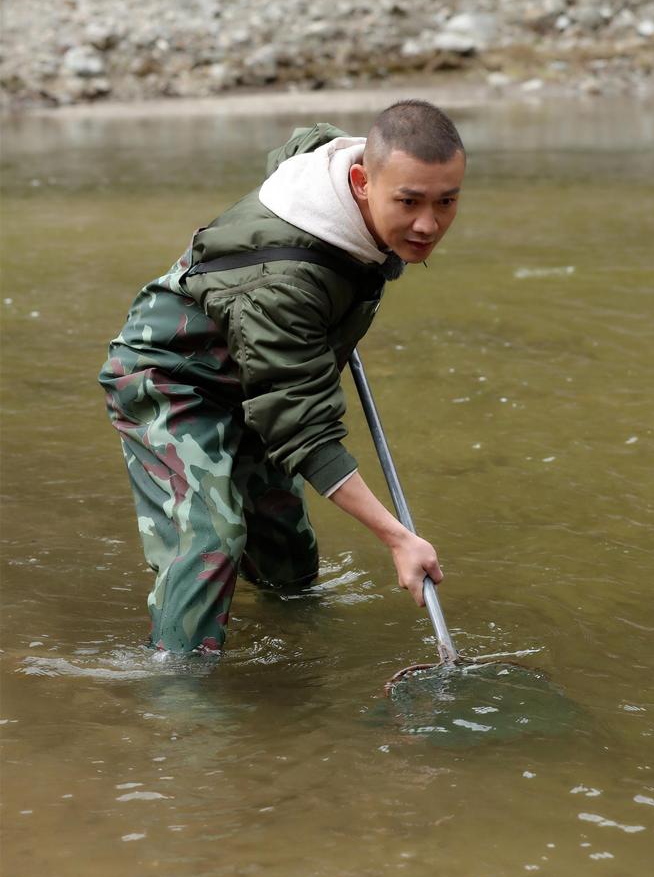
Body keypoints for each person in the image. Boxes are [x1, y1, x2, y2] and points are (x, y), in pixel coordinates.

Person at [99, 99, 466, 653]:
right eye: (409, 202)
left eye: (447, 202)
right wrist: (398, 538)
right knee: (210, 545)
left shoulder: (336, 161)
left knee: (290, 565)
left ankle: (295, 651)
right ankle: (180, 698)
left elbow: (303, 140)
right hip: (174, 381)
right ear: (362, 182)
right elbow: (307, 431)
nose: (428, 224)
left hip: (256, 380)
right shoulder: (288, 282)